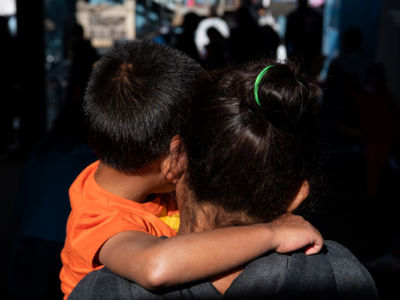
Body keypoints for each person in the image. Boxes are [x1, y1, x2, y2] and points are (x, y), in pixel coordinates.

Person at [69, 60, 378, 299]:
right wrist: (272, 233)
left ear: (178, 159)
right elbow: (156, 265)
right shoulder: (344, 278)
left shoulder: (102, 290)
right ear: (298, 194)